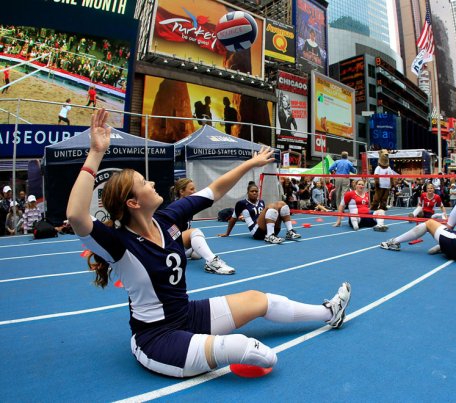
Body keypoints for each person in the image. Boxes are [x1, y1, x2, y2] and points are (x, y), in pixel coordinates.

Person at [66, 109, 351, 378]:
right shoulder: (120, 243)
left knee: (259, 299)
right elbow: (76, 215)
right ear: (133, 202)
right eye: (144, 183)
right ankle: (206, 348)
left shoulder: (165, 220)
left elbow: (213, 190)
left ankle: (330, 313)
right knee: (255, 352)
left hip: (187, 314)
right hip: (157, 338)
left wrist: (250, 163)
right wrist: (95, 153)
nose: (152, 183)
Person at [170, 178, 234, 275]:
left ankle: (184, 253)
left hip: (181, 247)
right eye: (191, 189)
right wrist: (185, 237)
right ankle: (212, 262)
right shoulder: (174, 208)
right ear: (181, 191)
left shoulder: (188, 207)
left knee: (197, 254)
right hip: (171, 245)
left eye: (194, 189)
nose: (195, 191)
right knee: (195, 232)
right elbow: (168, 232)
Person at [219, 182, 301, 244]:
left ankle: (290, 231)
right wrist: (227, 233)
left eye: (256, 191)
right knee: (271, 206)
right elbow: (233, 219)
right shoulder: (241, 203)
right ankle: (269, 236)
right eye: (252, 191)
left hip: (273, 230)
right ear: (247, 192)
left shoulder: (261, 202)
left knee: (282, 204)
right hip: (257, 232)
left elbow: (269, 215)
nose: (254, 193)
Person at [329, 151, 356, 220]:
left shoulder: (337, 162)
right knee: (344, 194)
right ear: (347, 156)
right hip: (345, 178)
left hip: (338, 178)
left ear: (341, 156)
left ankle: (339, 209)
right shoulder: (349, 162)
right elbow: (354, 171)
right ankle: (342, 208)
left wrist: (334, 172)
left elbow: (330, 169)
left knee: (338, 193)